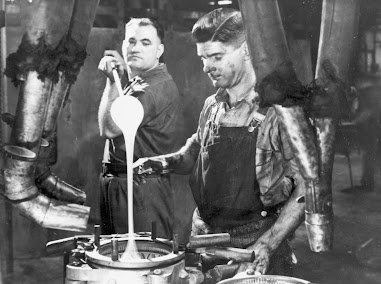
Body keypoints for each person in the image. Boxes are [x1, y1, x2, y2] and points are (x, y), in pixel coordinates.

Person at [135, 8, 306, 276]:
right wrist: (162, 163)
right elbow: (196, 151)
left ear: (247, 49)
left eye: (216, 57)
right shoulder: (212, 105)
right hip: (205, 238)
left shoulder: (278, 113)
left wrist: (267, 245)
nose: (206, 67)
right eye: (203, 58)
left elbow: (305, 190)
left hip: (253, 247)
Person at [97, 18, 182, 239]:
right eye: (131, 41)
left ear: (159, 50)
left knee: (142, 264)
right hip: (127, 187)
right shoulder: (140, 81)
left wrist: (112, 82)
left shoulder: (150, 89)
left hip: (139, 191)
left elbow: (109, 129)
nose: (136, 48)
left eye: (146, 43)